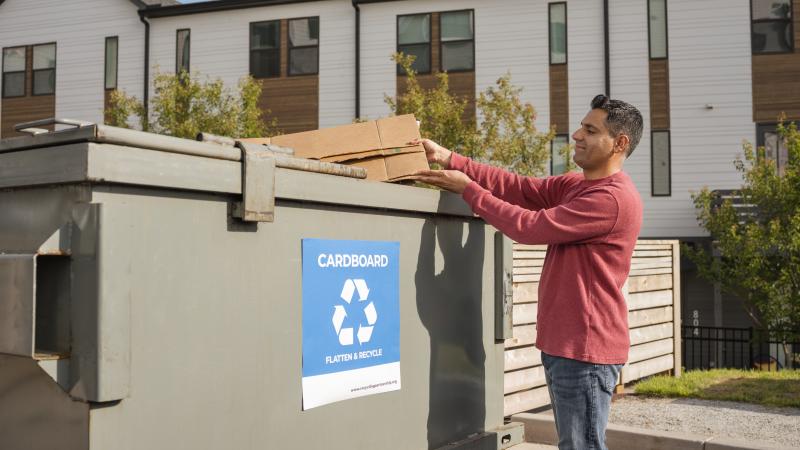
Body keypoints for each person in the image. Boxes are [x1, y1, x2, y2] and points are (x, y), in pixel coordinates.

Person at [411, 94, 644, 450]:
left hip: (586, 350)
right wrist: (449, 157)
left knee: (581, 446)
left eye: (590, 129)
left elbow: (529, 227)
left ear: (620, 143)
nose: (577, 135)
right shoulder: (576, 185)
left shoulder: (611, 199)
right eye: (581, 126)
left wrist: (468, 190)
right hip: (564, 346)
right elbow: (519, 188)